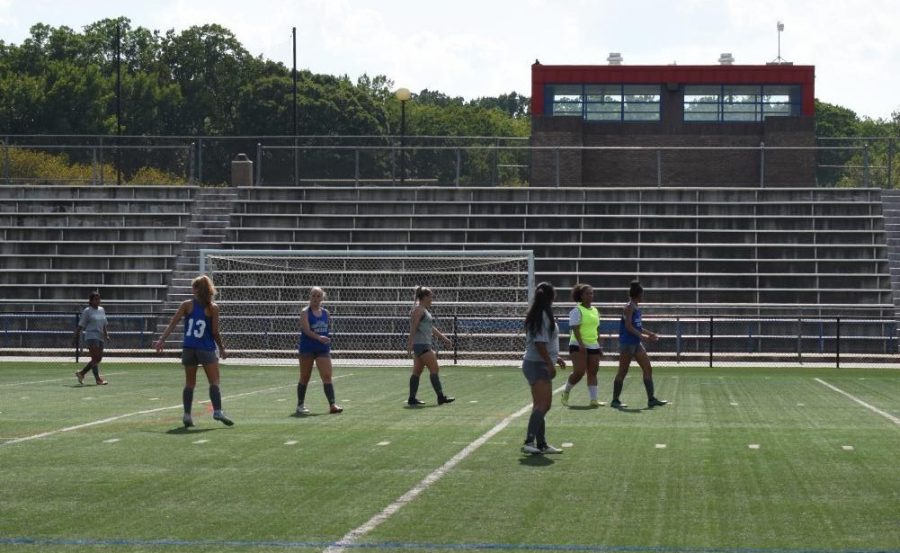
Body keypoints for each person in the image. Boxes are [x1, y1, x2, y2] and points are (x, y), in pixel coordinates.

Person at [154, 275, 234, 428]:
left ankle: (187, 415)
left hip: (189, 348)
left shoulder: (187, 305)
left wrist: (161, 340)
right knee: (214, 381)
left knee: (189, 383)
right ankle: (217, 411)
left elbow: (173, 323)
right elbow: (215, 332)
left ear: (196, 289)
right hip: (206, 348)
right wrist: (222, 349)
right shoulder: (213, 307)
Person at [521, 281, 566, 454]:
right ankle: (529, 442)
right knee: (544, 405)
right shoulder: (543, 315)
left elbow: (543, 342)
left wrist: (556, 357)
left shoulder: (539, 312)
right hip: (538, 364)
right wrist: (549, 363)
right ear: (551, 296)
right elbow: (539, 343)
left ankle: (542, 444)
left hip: (536, 363)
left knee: (539, 405)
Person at [611, 280, 667, 409]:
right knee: (623, 372)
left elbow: (638, 326)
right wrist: (643, 337)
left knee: (647, 368)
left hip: (636, 343)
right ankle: (615, 400)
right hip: (627, 344)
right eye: (642, 294)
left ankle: (651, 399)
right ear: (638, 294)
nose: (643, 296)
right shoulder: (629, 307)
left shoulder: (636, 307)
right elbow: (628, 326)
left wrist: (650, 333)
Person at [295, 286, 342, 415]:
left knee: (327, 376)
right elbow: (306, 330)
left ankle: (332, 404)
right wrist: (318, 337)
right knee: (305, 377)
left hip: (322, 348)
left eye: (318, 296)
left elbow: (326, 328)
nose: (315, 298)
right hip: (307, 348)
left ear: (322, 298)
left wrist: (324, 339)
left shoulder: (326, 313)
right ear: (310, 297)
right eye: (313, 295)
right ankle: (300, 405)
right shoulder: (305, 312)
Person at [406, 286, 454, 406]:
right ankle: (440, 397)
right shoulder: (419, 310)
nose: (432, 298)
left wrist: (443, 338)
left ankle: (412, 399)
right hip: (422, 345)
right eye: (431, 295)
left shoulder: (423, 310)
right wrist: (410, 344)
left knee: (417, 372)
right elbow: (413, 328)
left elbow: (430, 328)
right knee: (434, 369)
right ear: (425, 297)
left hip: (421, 345)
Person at [561, 283, 604, 407]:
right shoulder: (576, 310)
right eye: (587, 293)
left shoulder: (595, 310)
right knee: (579, 372)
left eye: (591, 293)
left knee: (593, 372)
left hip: (593, 345)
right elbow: (575, 329)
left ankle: (594, 399)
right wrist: (581, 345)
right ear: (581, 296)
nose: (590, 296)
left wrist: (599, 345)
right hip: (577, 345)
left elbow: (597, 329)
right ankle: (566, 392)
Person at [73, 291, 110, 386]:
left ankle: (81, 373)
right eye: (96, 299)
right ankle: (98, 379)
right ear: (91, 300)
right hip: (91, 336)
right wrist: (76, 336)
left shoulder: (102, 309)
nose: (98, 301)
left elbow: (104, 323)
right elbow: (81, 325)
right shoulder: (87, 311)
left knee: (98, 359)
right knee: (95, 358)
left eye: (99, 299)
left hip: (100, 336)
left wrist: (106, 335)